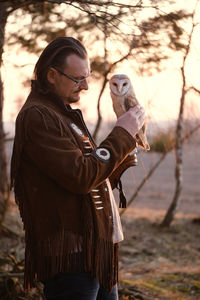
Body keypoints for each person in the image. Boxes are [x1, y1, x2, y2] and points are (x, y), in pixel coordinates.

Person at [10, 37, 145, 300]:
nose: (85, 85)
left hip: (95, 251)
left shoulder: (61, 114)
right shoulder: (38, 116)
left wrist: (128, 145)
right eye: (77, 78)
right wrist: (121, 134)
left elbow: (92, 172)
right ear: (51, 75)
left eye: (87, 76)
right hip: (71, 257)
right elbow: (81, 176)